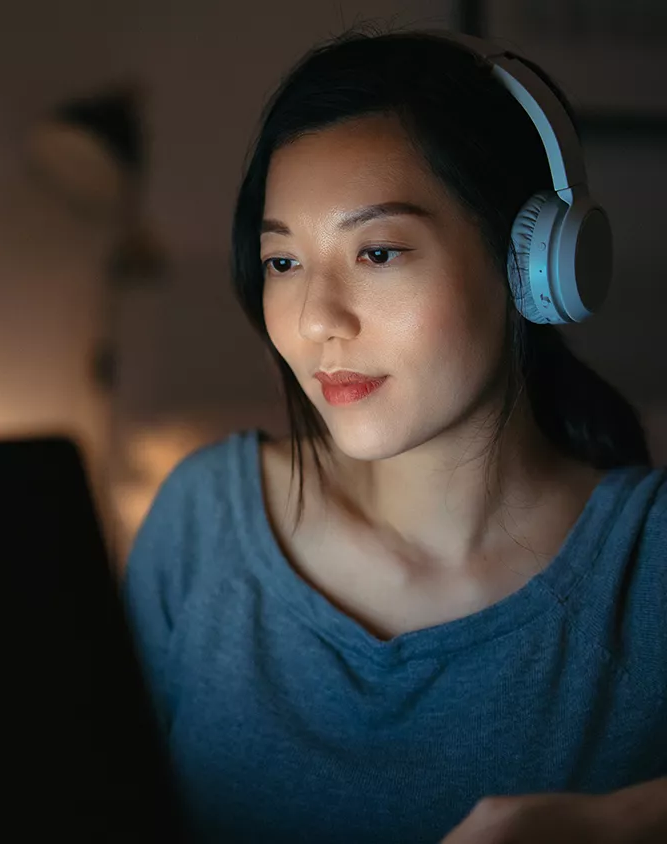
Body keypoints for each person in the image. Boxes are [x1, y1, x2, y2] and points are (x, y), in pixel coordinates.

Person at [122, 27, 666, 843]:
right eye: (282, 263)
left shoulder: (650, 561)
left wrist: (622, 822)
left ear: (533, 265)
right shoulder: (200, 522)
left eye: (377, 252)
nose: (315, 322)